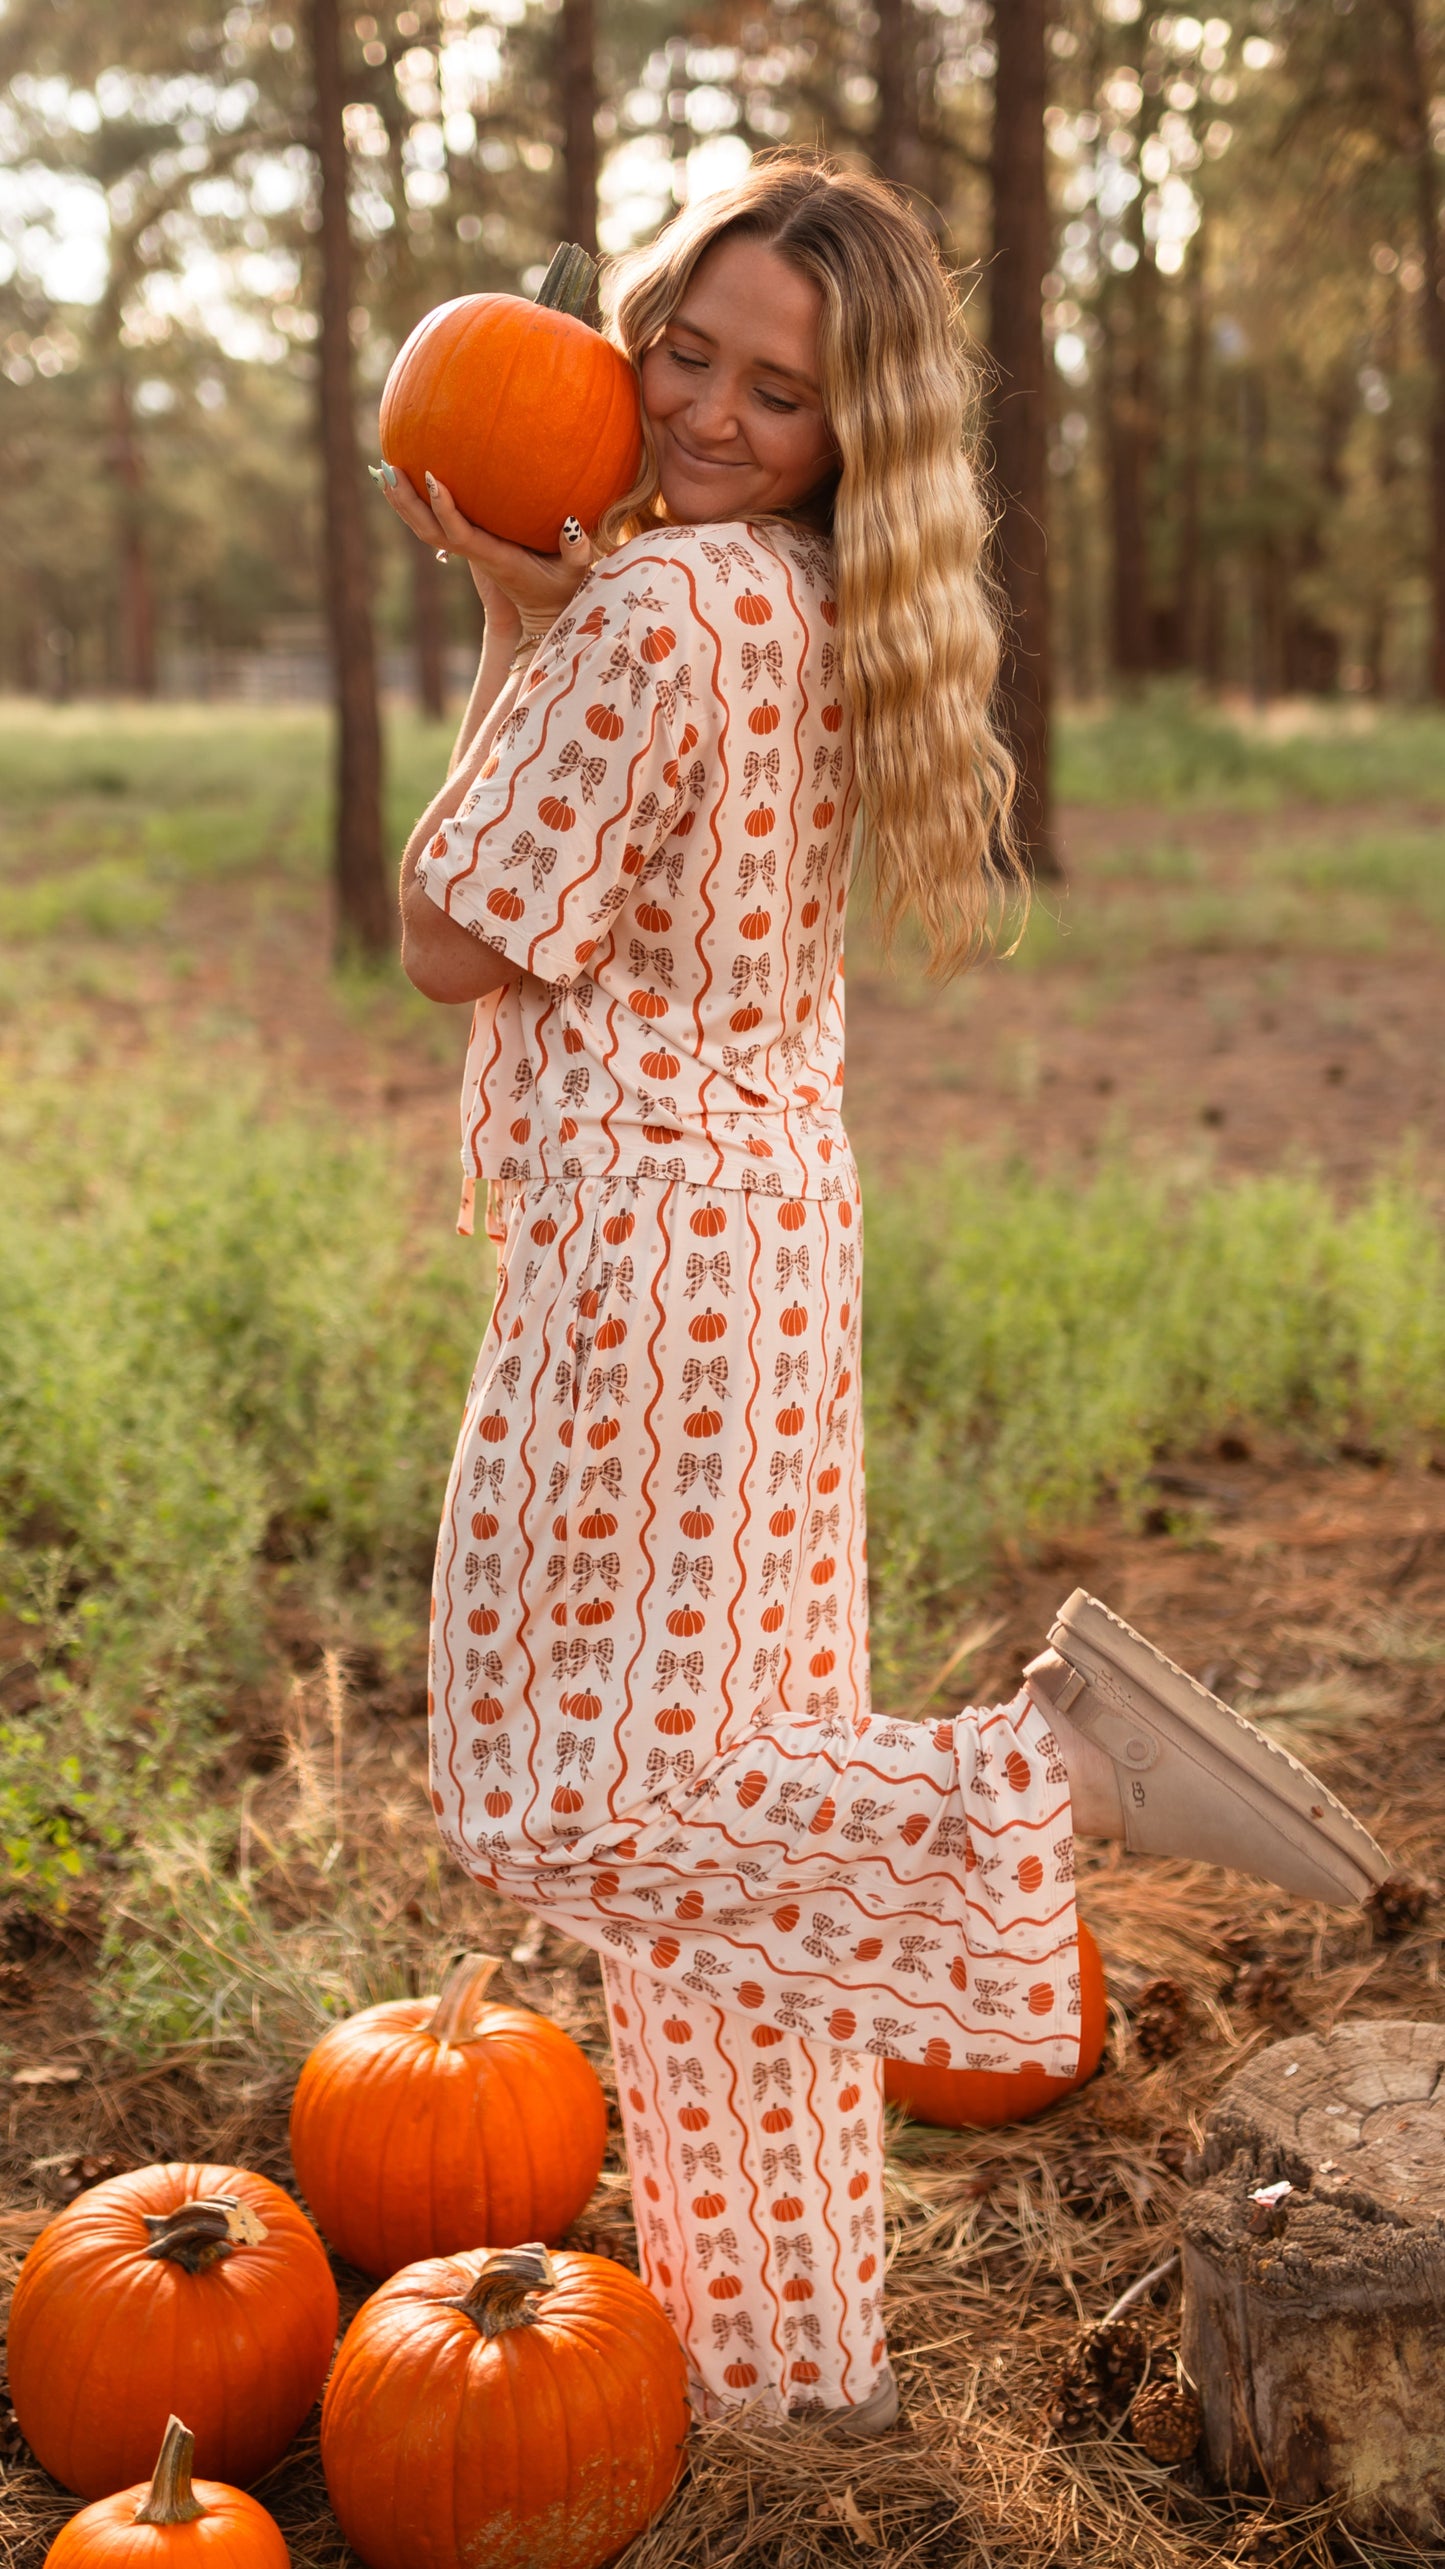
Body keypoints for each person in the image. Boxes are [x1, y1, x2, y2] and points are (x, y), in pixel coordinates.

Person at [379, 156, 1388, 2434]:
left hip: (640, 1270)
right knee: (719, 1855)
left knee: (548, 1803)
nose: (710, 411)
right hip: (772, 1261)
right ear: (633, 328)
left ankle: (1041, 1776)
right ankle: (786, 2367)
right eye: (687, 351)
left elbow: (456, 918)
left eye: (780, 389)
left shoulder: (655, 617)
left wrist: (507, 617)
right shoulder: (815, 599)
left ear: (856, 430)